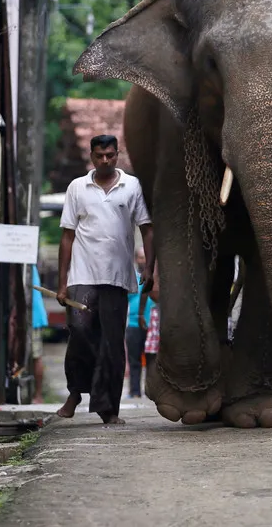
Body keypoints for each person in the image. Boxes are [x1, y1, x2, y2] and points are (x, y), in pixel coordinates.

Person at [56, 135, 155, 424]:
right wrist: (62, 283)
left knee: (112, 342)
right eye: (99, 156)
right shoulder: (77, 187)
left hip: (117, 277)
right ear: (91, 156)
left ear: (117, 154)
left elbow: (147, 229)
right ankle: (77, 390)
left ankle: (108, 409)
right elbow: (67, 236)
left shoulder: (132, 186)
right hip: (82, 275)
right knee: (80, 329)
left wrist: (149, 268)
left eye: (110, 155)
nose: (105, 161)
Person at [125, 248, 155, 398]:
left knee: (152, 361)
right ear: (137, 259)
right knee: (134, 361)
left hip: (153, 326)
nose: (143, 260)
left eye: (146, 257)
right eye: (141, 258)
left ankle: (151, 391)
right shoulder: (131, 279)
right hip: (134, 324)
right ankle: (135, 392)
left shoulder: (156, 278)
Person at [31, 266, 49, 404]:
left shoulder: (27, 268)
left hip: (33, 317)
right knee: (36, 357)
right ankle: (37, 395)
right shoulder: (30, 266)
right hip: (34, 316)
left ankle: (38, 395)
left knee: (36, 357)